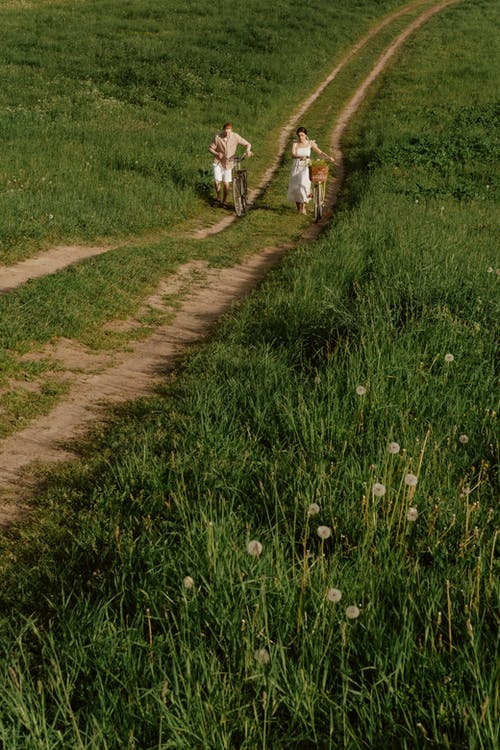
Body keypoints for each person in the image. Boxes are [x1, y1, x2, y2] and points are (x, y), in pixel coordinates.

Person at [287, 126, 334, 214]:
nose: (300, 137)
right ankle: (298, 208)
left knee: (303, 184)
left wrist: (328, 157)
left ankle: (303, 207)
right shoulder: (295, 144)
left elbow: (319, 152)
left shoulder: (310, 143)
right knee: (295, 186)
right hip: (296, 166)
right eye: (299, 136)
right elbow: (293, 155)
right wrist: (300, 157)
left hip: (306, 167)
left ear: (306, 135)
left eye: (302, 135)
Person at [208, 122, 252, 206]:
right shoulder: (217, 137)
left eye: (229, 131)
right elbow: (210, 148)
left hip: (229, 163)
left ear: (231, 130)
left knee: (226, 183)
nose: (227, 133)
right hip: (218, 162)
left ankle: (223, 202)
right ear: (223, 130)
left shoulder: (235, 136)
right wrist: (217, 154)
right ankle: (218, 198)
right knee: (217, 181)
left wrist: (248, 150)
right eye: (226, 131)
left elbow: (248, 144)